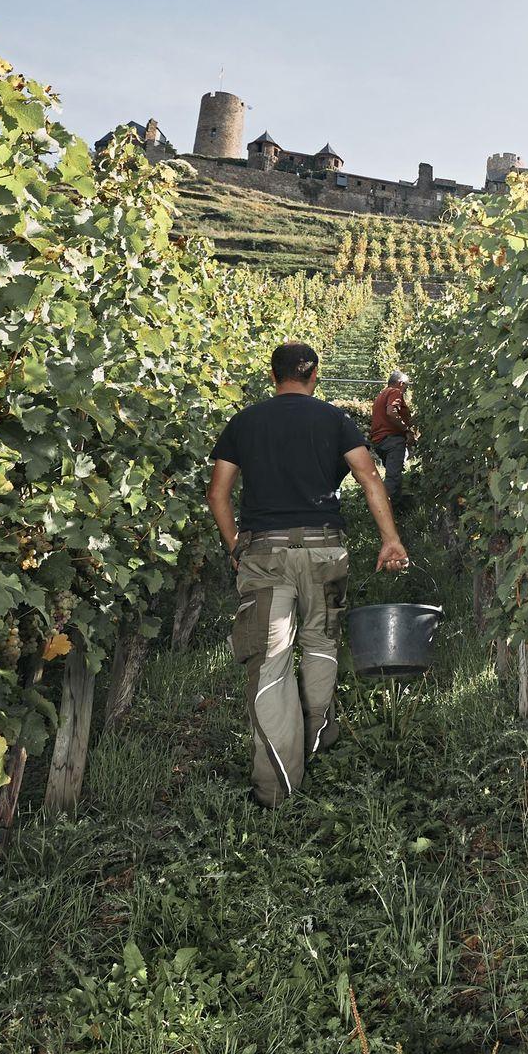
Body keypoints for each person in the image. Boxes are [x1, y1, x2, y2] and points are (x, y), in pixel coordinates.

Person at [207, 341, 408, 808]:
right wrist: (390, 539)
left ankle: (276, 789)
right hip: (325, 552)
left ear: (272, 375)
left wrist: (235, 544)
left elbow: (218, 493)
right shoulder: (335, 419)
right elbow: (369, 478)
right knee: (321, 644)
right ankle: (317, 737)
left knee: (270, 661)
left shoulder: (245, 422)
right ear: (314, 375)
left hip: (266, 554)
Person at [368, 369, 417, 507]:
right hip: (392, 440)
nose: (406, 389)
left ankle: (396, 508)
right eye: (406, 386)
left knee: (394, 475)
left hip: (380, 441)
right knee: (393, 478)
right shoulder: (395, 392)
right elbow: (391, 412)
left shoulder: (381, 395)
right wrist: (406, 430)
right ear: (400, 383)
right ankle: (384, 510)